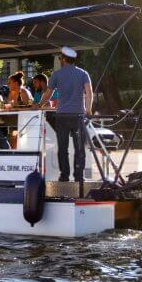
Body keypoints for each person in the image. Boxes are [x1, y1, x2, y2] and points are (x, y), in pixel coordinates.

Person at [39, 46, 93, 182]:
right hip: (78, 115)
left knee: (62, 148)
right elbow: (89, 92)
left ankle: (64, 175)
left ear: (63, 59)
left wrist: (39, 104)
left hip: (62, 115)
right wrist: (88, 109)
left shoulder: (56, 74)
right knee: (79, 148)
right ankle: (79, 176)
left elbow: (48, 93)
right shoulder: (83, 73)